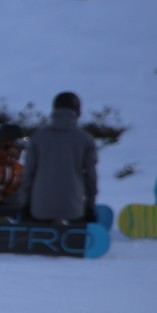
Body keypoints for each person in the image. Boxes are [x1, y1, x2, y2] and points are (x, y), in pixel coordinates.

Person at [19, 92, 98, 223]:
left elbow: (28, 173)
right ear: (77, 111)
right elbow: (90, 176)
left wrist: (25, 204)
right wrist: (90, 207)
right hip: (74, 211)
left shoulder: (38, 137)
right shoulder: (85, 139)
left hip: (40, 210)